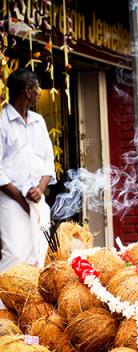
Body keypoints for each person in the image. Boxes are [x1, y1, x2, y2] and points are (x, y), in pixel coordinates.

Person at [0, 69, 56, 272]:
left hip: (36, 199)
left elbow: (48, 160)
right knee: (15, 254)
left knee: (38, 253)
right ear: (27, 91)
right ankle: (3, 302)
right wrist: (20, 198)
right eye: (37, 87)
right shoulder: (2, 122)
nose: (40, 91)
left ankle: (29, 301)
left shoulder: (38, 121)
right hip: (11, 199)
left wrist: (40, 189)